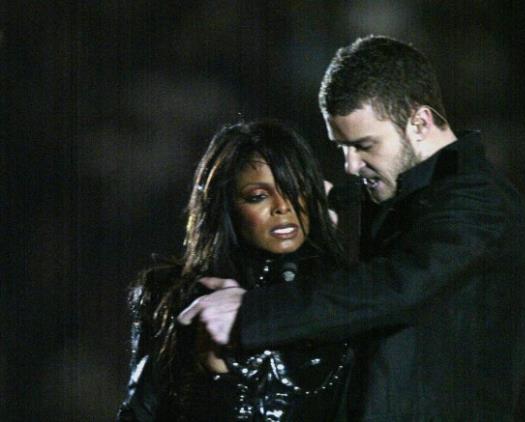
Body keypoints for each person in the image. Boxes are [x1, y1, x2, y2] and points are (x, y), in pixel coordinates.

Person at [193, 35, 525, 420]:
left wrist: (251, 314)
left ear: (420, 122)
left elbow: (395, 286)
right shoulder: (394, 200)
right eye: (342, 148)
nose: (351, 165)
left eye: (364, 145)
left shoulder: (480, 205)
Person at [117, 120, 353, 421]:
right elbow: (137, 415)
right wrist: (212, 373)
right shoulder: (173, 296)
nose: (283, 207)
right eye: (258, 196)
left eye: (295, 189)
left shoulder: (343, 296)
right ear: (226, 205)